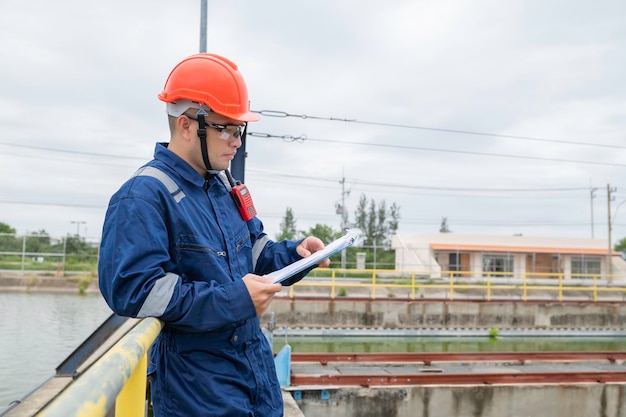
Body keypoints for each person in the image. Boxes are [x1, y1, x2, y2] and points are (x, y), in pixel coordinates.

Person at [98, 53, 330, 417]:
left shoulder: (223, 187)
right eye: (227, 128)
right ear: (188, 125)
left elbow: (254, 254)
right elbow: (133, 291)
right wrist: (237, 299)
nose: (237, 141)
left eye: (240, 130)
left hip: (253, 376)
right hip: (198, 390)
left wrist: (296, 255)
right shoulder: (143, 197)